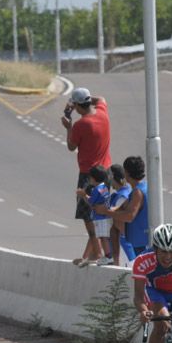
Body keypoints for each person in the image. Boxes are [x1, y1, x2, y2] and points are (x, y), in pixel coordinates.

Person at [61, 87, 111, 265]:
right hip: (106, 171)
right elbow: (102, 97)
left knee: (88, 216)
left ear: (77, 106)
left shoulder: (81, 125)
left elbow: (71, 146)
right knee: (99, 213)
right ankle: (90, 255)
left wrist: (68, 127)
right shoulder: (102, 112)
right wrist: (82, 99)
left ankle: (97, 253)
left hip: (88, 176)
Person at [114, 156, 150, 261]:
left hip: (140, 240)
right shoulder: (144, 187)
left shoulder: (137, 192)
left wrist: (107, 212)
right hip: (142, 238)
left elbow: (129, 216)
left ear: (127, 173)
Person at [75, 165, 111, 266]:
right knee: (103, 236)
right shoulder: (104, 187)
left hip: (99, 218)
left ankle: (107, 256)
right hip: (105, 216)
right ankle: (102, 256)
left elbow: (91, 202)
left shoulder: (97, 190)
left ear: (93, 178)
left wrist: (83, 195)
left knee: (101, 237)